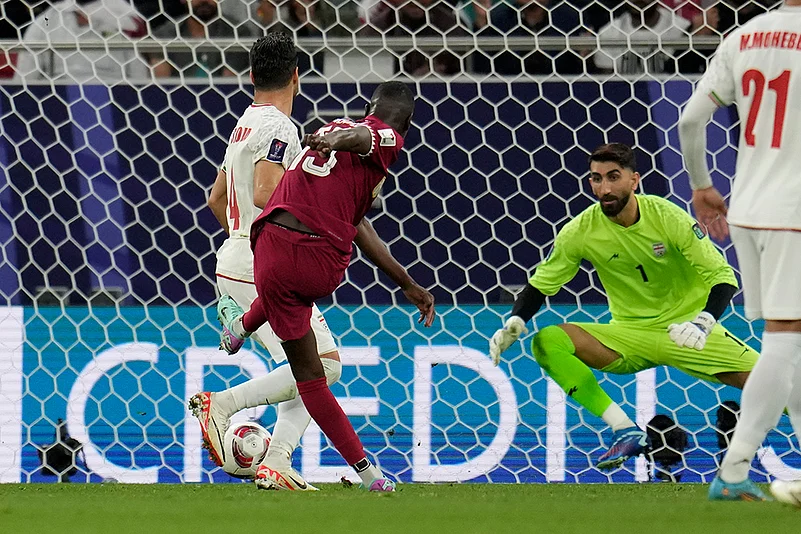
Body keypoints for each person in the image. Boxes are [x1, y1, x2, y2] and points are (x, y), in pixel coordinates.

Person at [217, 81, 436, 492]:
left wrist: (405, 282)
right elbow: (365, 136)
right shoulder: (385, 138)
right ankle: (367, 476)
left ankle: (240, 327)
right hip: (314, 255)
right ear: (404, 122)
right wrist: (339, 137)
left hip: (266, 248)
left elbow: (359, 224)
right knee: (319, 371)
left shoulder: (340, 148)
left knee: (302, 349)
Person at [489, 142, 758, 471]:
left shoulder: (668, 216)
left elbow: (723, 277)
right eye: (596, 179)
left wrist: (703, 323)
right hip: (629, 336)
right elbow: (541, 285)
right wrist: (515, 320)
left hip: (689, 330)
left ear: (634, 180)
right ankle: (625, 430)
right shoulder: (581, 230)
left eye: (613, 177)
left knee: (780, 386)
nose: (604, 188)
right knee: (547, 342)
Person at [189, 32, 343, 492]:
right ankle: (223, 405)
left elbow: (216, 199)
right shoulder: (280, 127)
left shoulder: (243, 125)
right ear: (297, 76)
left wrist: (239, 247)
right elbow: (263, 192)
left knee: (310, 367)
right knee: (324, 366)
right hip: (261, 262)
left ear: (251, 76)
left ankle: (277, 461)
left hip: (238, 258)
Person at [677, 0, 801, 503]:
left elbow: (689, 120)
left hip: (748, 208)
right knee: (785, 338)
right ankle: (733, 469)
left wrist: (702, 186)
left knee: (792, 342)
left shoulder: (745, 35)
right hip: (793, 211)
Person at [14, 0, 149, 84]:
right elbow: (25, 78)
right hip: (58, 100)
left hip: (114, 98)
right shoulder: (47, 20)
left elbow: (139, 78)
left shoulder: (128, 21)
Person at [150, 0, 250, 78]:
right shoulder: (165, 34)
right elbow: (162, 83)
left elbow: (229, 83)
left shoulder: (237, 32)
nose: (204, 1)